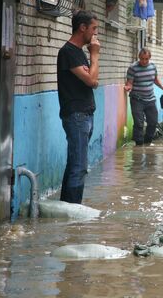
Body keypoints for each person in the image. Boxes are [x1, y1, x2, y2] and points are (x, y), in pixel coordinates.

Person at [57, 10, 100, 204]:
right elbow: (92, 79)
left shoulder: (79, 53)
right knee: (79, 166)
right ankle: (73, 212)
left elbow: (92, 79)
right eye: (93, 29)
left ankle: (66, 207)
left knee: (75, 163)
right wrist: (95, 56)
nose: (95, 34)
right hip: (76, 116)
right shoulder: (68, 52)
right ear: (82, 28)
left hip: (85, 115)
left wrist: (91, 73)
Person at [124, 48, 163, 146]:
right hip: (137, 100)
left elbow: (155, 79)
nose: (144, 61)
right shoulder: (133, 68)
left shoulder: (153, 67)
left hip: (150, 99)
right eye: (142, 59)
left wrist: (162, 86)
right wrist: (128, 87)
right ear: (139, 57)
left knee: (153, 122)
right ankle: (139, 145)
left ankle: (148, 142)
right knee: (139, 123)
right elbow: (130, 83)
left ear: (149, 58)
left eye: (146, 59)